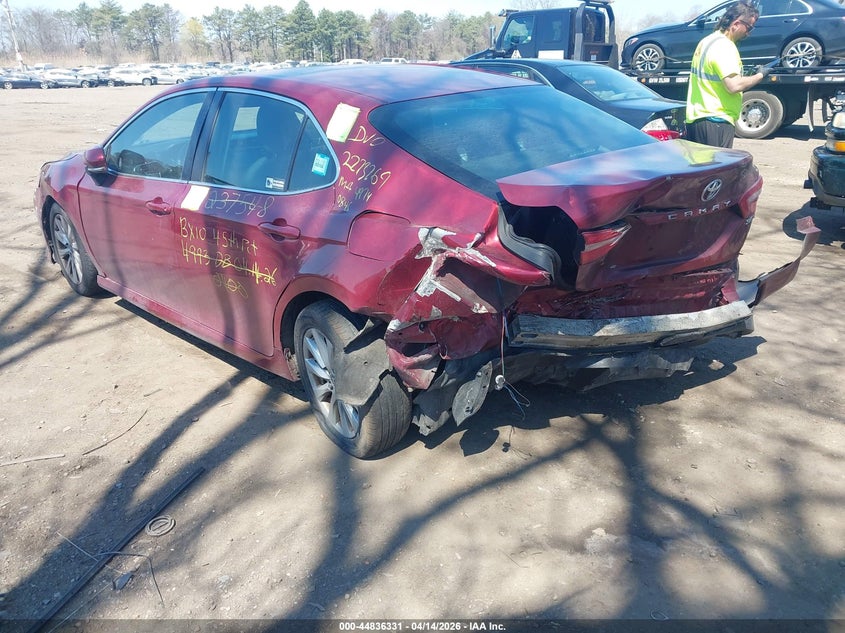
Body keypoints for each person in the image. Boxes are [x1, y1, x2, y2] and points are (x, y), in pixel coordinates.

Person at [686, 1, 776, 147]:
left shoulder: (707, 41)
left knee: (701, 168)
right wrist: (759, 75)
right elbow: (733, 86)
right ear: (736, 23)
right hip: (717, 121)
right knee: (717, 169)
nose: (749, 32)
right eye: (749, 27)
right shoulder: (725, 46)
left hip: (698, 119)